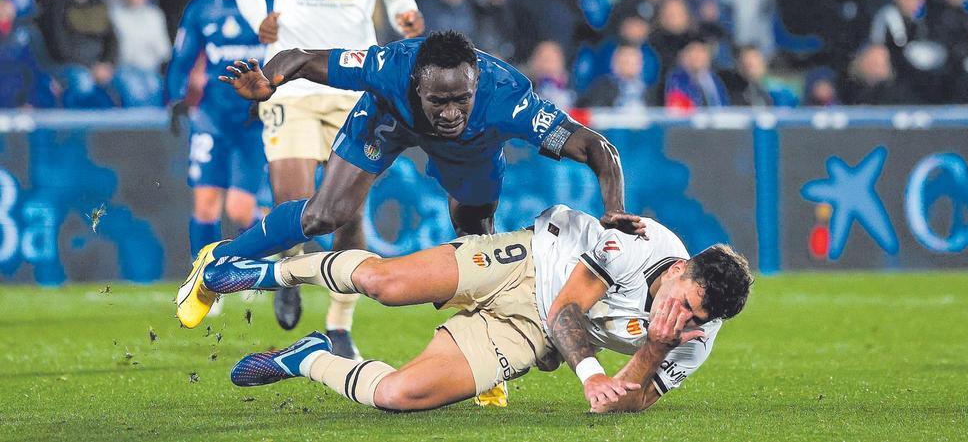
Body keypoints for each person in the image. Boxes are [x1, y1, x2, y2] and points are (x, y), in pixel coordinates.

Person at [177, 30, 643, 406]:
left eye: (461, 98)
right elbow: (300, 56)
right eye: (438, 101)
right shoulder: (389, 66)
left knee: (477, 240)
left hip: (472, 152)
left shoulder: (508, 96)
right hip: (389, 121)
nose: (450, 112)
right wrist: (270, 81)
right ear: (416, 84)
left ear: (476, 83)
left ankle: (484, 369)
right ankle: (219, 259)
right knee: (327, 214)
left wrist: (614, 208)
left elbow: (597, 147)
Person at [201, 204, 751, 413]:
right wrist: (588, 372)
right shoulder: (642, 241)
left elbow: (623, 404)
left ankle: (309, 358)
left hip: (530, 334)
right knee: (385, 282)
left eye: (699, 320)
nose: (685, 321)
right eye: (685, 305)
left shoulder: (695, 338)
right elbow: (566, 310)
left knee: (399, 396)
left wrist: (654, 349)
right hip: (528, 263)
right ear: (680, 269)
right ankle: (269, 272)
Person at [228, 0, 424, 357]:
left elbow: (400, 1)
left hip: (354, 84)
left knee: (346, 212)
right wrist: (258, 20)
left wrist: (408, 22)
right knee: (295, 205)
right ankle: (290, 273)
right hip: (289, 80)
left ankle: (338, 327)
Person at [165, 0, 268, 260]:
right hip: (213, 116)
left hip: (255, 120)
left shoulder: (268, 5)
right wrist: (175, 97)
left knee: (240, 210)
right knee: (206, 203)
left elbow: (288, 56)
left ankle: (261, 261)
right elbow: (181, 61)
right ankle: (205, 282)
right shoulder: (200, 9)